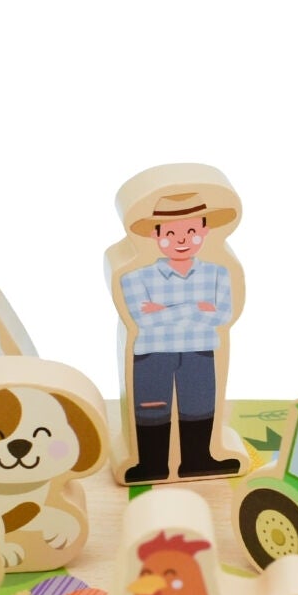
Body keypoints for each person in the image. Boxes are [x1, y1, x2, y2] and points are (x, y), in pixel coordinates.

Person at [118, 188, 244, 481]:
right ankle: (151, 464)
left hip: (200, 349)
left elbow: (222, 316)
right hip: (152, 351)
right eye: (171, 233)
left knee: (199, 405)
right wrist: (197, 307)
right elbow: (143, 320)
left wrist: (165, 310)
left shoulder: (218, 273)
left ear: (205, 231)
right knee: (152, 407)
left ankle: (198, 459)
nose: (182, 240)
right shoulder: (134, 276)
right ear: (156, 235)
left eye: (191, 231)